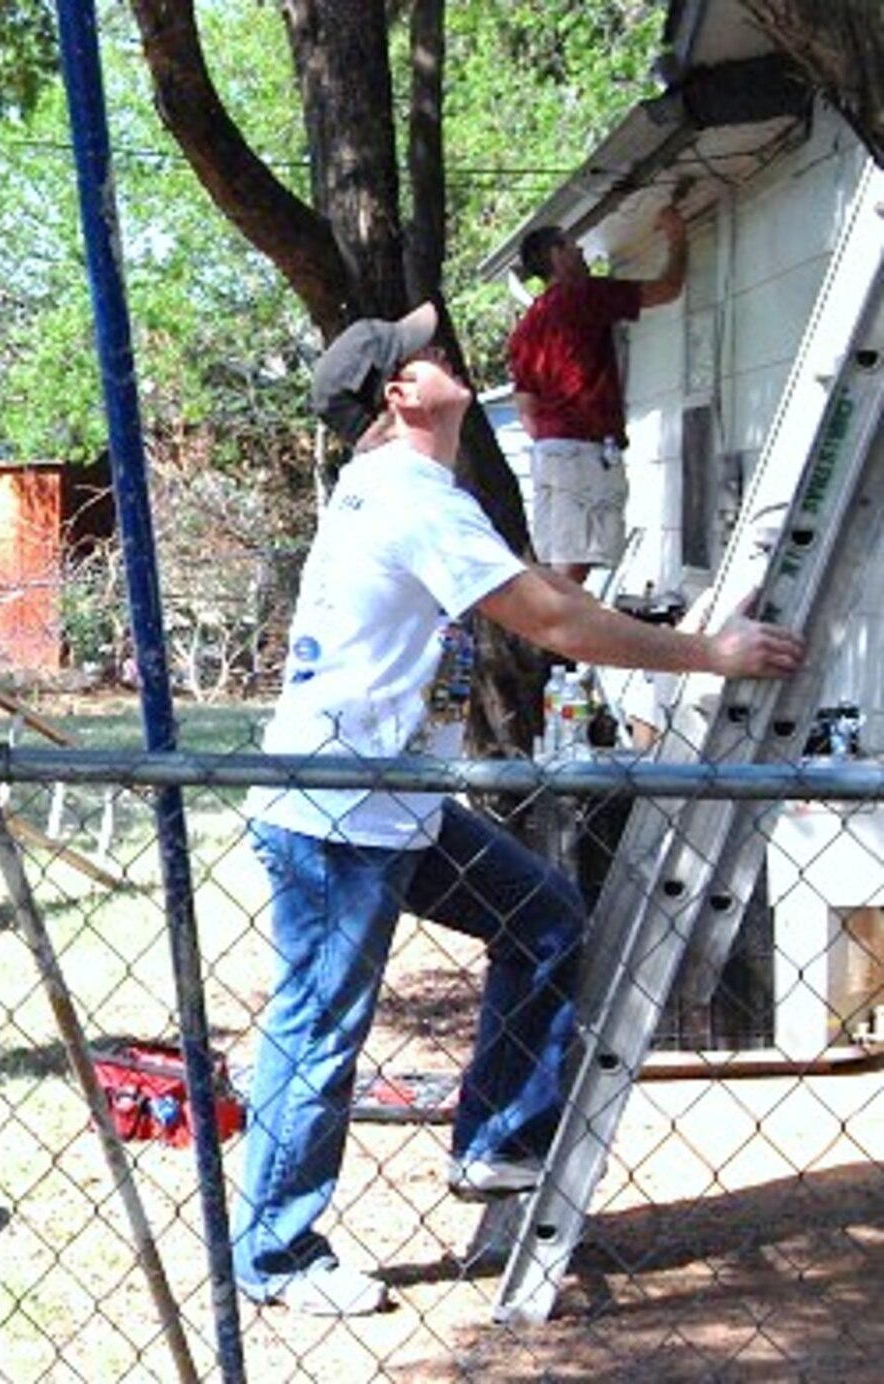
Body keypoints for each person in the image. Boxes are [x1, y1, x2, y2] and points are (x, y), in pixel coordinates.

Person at [236, 302, 805, 1316]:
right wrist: (705, 652)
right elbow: (546, 616)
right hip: (340, 814)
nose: (452, 355)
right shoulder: (407, 493)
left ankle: (494, 1139)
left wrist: (664, 622)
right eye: (430, 353)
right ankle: (276, 1253)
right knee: (320, 1028)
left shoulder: (395, 485)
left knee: (540, 917)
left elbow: (530, 584)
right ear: (400, 392)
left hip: (386, 801)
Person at [508, 205, 689, 584]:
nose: (582, 253)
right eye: (573, 246)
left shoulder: (527, 326)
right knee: (577, 564)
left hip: (548, 452)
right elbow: (668, 289)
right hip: (583, 447)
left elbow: (526, 406)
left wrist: (553, 438)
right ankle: (564, 642)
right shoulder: (583, 296)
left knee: (556, 560)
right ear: (556, 255)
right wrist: (676, 236)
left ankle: (551, 639)